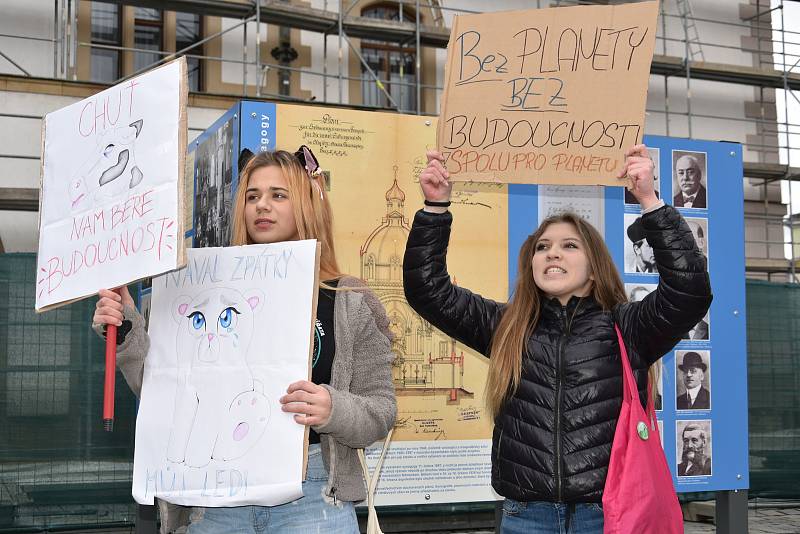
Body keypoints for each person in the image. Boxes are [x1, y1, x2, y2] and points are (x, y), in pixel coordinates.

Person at [403, 144, 711, 533]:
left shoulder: (627, 327)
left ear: (595, 268)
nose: (552, 254)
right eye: (542, 247)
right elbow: (427, 290)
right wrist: (435, 209)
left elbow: (690, 291)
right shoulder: (506, 326)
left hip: (606, 515)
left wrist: (649, 200)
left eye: (569, 246)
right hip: (526, 515)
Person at [92, 147, 396, 534]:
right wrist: (126, 327)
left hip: (314, 498)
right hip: (217, 503)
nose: (261, 206)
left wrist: (333, 408)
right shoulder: (205, 288)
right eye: (252, 196)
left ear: (307, 203)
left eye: (277, 195)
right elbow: (165, 393)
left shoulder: (349, 299)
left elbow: (382, 410)